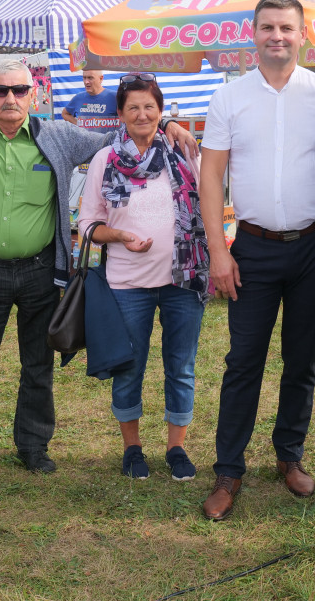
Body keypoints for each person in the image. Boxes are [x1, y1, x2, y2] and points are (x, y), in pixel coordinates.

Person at [0, 62, 200, 481]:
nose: (11, 98)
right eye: (1, 90)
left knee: (38, 364)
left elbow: (123, 131)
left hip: (41, 270)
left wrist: (166, 120)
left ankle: (33, 446)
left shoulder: (58, 136)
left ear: (35, 95)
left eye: (20, 90)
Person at [199, 0, 315, 520]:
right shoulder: (229, 97)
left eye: (286, 28)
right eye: (267, 28)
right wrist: (219, 250)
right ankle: (228, 471)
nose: (276, 37)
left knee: (301, 361)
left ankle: (290, 456)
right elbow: (210, 176)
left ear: (303, 34)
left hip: (313, 245)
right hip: (253, 248)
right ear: (253, 33)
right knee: (243, 362)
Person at [78, 73, 210, 481]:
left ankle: (176, 448)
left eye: (149, 106)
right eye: (132, 107)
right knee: (129, 367)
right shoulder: (105, 159)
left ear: (161, 111)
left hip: (183, 281)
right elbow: (87, 225)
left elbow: (209, 202)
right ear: (119, 113)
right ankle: (132, 448)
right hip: (126, 283)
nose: (141, 114)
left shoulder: (183, 151)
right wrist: (118, 235)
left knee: (181, 366)